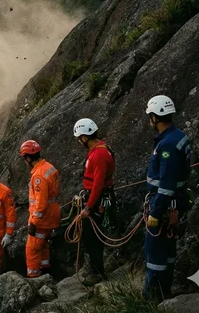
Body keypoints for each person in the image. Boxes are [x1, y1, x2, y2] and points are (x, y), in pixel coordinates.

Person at [142, 95, 191, 301]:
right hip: (174, 202)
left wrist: (155, 212)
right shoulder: (177, 137)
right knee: (168, 250)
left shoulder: (168, 145)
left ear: (155, 117)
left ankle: (153, 297)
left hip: (164, 204)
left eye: (150, 117)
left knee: (155, 250)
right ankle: (165, 292)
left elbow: (167, 184)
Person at [73, 118, 116, 286]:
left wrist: (88, 207)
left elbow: (98, 184)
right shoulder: (101, 148)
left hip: (97, 199)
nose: (79, 142)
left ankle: (97, 272)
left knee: (92, 237)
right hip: (98, 196)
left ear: (84, 137)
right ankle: (93, 267)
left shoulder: (98, 155)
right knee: (90, 235)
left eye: (80, 138)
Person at [20, 139, 60, 278]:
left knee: (32, 250)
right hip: (52, 214)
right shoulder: (49, 167)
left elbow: (41, 204)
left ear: (28, 158)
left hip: (42, 219)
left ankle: (34, 278)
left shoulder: (38, 175)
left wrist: (34, 223)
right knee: (43, 245)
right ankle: (46, 271)